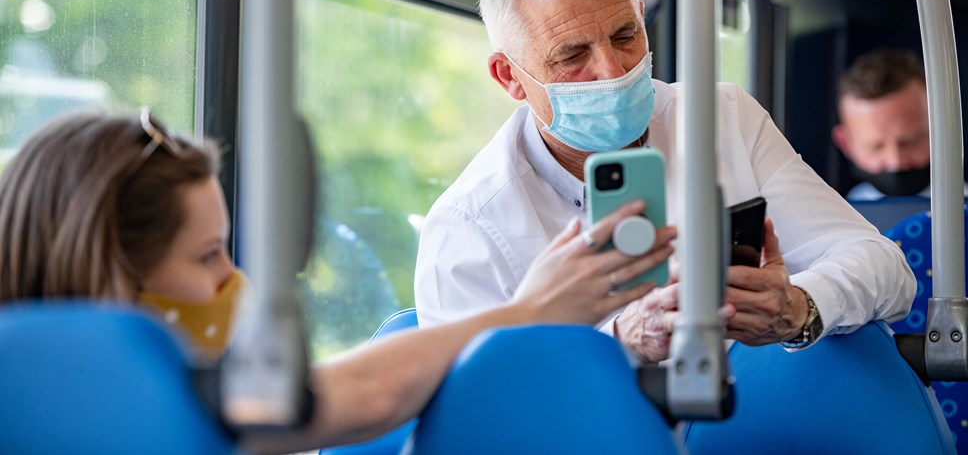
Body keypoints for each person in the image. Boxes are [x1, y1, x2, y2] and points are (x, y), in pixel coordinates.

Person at [0, 109, 673, 452]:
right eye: (207, 255)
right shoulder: (141, 413)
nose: (234, 277)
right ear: (114, 272)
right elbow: (368, 392)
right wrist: (531, 309)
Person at [414, 0, 915, 363]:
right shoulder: (469, 228)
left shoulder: (720, 118)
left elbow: (887, 270)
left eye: (626, 34)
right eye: (571, 56)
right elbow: (483, 417)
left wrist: (797, 308)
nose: (612, 71)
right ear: (510, 78)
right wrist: (620, 344)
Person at [833, 48, 936, 200]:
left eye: (910, 141)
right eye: (876, 146)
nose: (896, 161)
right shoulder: (837, 216)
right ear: (845, 144)